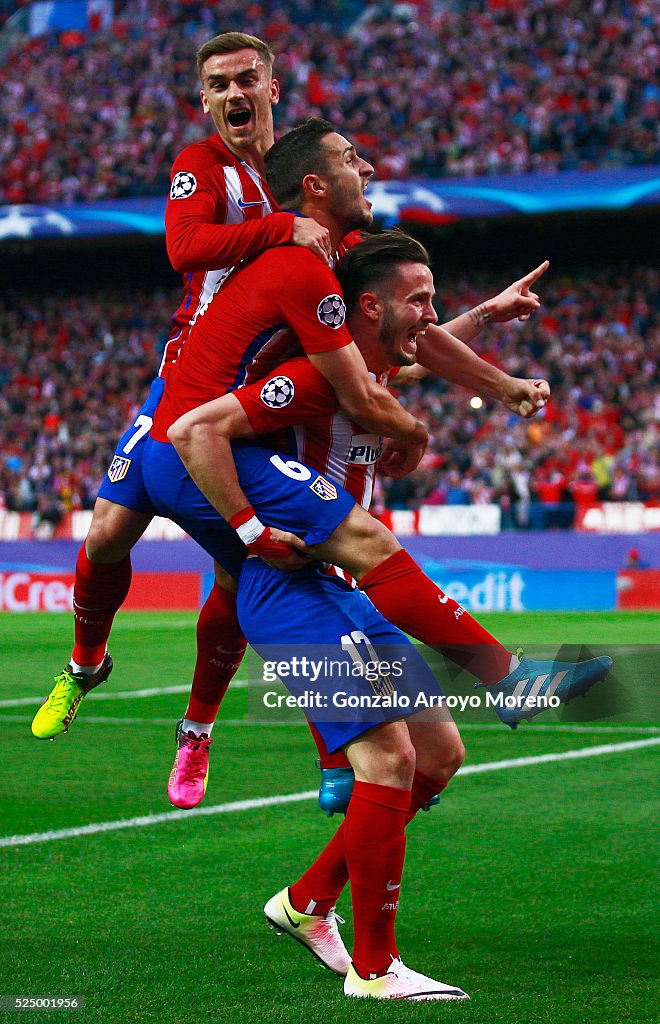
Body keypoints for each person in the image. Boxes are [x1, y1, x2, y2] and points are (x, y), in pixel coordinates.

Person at [143, 120, 610, 810]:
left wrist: (489, 341)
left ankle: (312, 879)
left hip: (228, 457)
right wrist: (415, 434)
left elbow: (406, 346)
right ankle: (496, 685)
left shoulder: (342, 264)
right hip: (201, 449)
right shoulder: (306, 288)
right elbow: (363, 386)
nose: (370, 167)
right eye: (351, 159)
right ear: (314, 185)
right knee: (343, 557)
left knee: (429, 748)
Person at [30, 32, 420, 757]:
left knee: (251, 569)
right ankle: (85, 666)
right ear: (205, 99)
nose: (234, 93)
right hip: (192, 380)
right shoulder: (203, 167)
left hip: (272, 392)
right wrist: (281, 229)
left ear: (274, 88)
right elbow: (183, 248)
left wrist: (482, 353)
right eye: (218, 84)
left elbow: (388, 297)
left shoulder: (310, 169)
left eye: (247, 79)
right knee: (108, 531)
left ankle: (199, 731)